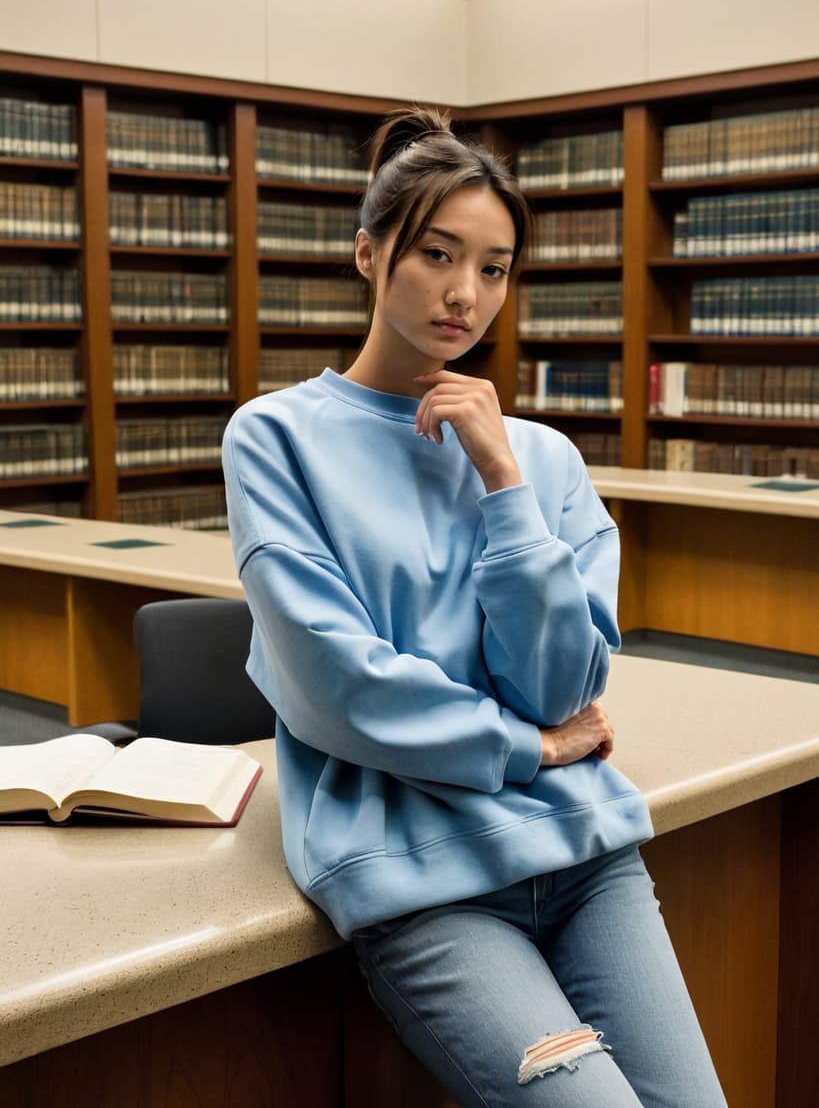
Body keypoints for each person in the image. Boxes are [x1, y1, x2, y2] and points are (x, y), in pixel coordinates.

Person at [222, 107, 727, 1108]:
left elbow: (560, 681)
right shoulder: (274, 440)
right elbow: (335, 683)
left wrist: (502, 485)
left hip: (584, 855)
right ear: (368, 254)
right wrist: (527, 748)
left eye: (492, 268)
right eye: (436, 255)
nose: (464, 294)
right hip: (420, 878)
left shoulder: (541, 459)